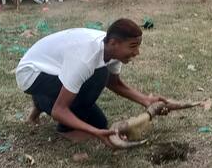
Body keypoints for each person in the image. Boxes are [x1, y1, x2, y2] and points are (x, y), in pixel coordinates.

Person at [15, 19, 178, 148]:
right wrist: (95, 133)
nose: (137, 53)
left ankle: (42, 101)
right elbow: (59, 110)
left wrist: (145, 100)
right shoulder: (86, 59)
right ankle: (65, 128)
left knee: (100, 122)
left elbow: (115, 84)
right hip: (31, 74)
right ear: (114, 43)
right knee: (98, 76)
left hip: (52, 68)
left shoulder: (110, 50)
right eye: (133, 47)